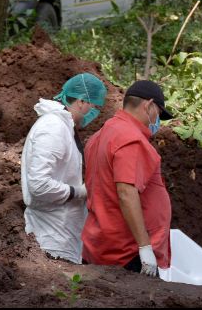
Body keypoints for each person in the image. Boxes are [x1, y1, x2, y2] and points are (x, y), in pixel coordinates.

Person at [81, 80, 174, 276]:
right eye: (158, 113)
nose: (157, 120)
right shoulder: (131, 139)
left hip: (101, 245)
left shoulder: (102, 134)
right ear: (148, 106)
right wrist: (144, 247)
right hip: (126, 254)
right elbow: (126, 192)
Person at [21, 72, 107, 264]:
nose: (96, 112)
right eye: (95, 106)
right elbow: (39, 185)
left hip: (61, 231)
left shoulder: (64, 126)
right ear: (82, 102)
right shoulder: (53, 128)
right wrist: (78, 192)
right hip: (51, 235)